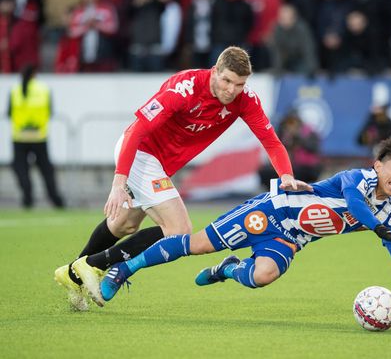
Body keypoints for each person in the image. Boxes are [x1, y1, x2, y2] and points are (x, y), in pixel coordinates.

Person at [54, 46, 310, 311]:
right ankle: (92, 266)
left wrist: (286, 175)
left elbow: (271, 141)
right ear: (215, 71)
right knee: (179, 230)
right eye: (226, 81)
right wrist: (118, 183)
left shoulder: (245, 100)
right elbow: (137, 131)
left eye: (239, 84)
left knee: (124, 225)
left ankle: (73, 274)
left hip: (160, 165)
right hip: (141, 154)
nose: (232, 90)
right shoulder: (184, 89)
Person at [95, 138, 391, 305]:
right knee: (194, 244)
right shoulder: (358, 179)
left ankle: (228, 270)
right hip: (271, 211)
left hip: (290, 238)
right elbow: (355, 205)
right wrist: (378, 228)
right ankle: (124, 269)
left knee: (261, 276)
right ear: (379, 165)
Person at [8, 64, 65, 209]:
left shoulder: (15, 91)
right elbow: (50, 112)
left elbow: (9, 113)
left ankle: (27, 198)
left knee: (21, 169)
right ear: (35, 73)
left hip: (19, 137)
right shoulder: (44, 90)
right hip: (39, 137)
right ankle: (56, 200)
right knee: (46, 171)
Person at [259, 109, 322, 186]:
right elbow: (277, 150)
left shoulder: (310, 133)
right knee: (265, 172)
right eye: (289, 123)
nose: (291, 126)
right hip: (290, 167)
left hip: (306, 167)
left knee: (300, 173)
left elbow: (313, 148)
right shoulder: (284, 134)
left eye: (294, 122)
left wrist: (298, 138)